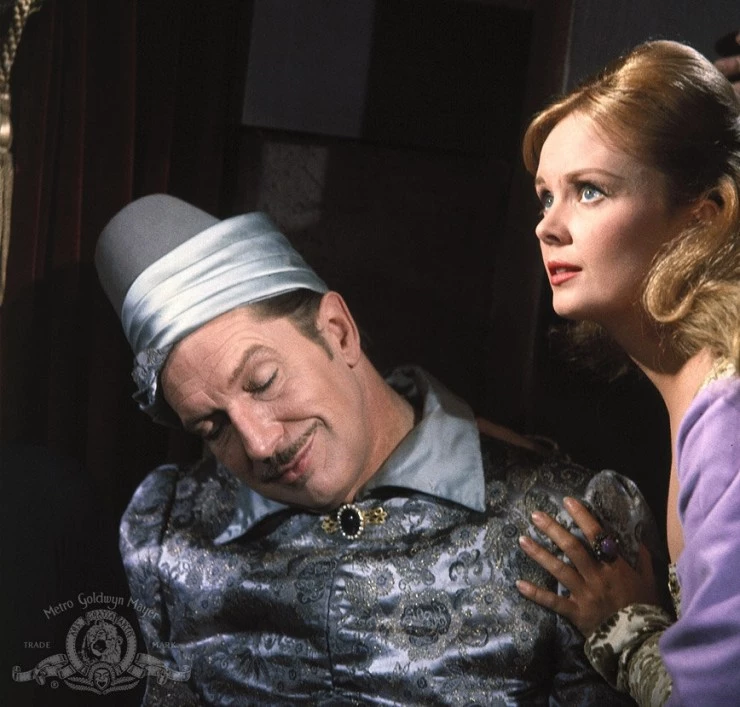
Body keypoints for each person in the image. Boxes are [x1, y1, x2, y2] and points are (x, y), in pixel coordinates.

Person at [94, 193, 659, 705]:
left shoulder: (567, 522)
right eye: (212, 427)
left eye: (263, 382)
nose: (261, 443)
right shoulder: (167, 529)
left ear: (338, 331)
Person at [515, 39, 740, 707]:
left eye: (590, 191)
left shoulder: (727, 417)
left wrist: (630, 633)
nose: (548, 227)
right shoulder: (702, 391)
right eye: (545, 197)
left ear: (703, 215)